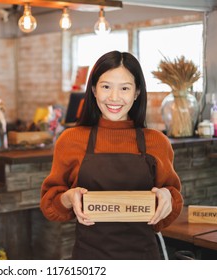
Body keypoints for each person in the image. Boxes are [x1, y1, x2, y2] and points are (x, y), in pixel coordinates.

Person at [40, 51, 183, 260]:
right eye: (106, 87)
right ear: (93, 90)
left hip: (143, 259)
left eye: (124, 88)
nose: (114, 97)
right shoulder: (70, 140)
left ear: (137, 93)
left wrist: (168, 197)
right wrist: (68, 198)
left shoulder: (157, 142)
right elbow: (49, 204)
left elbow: (172, 198)